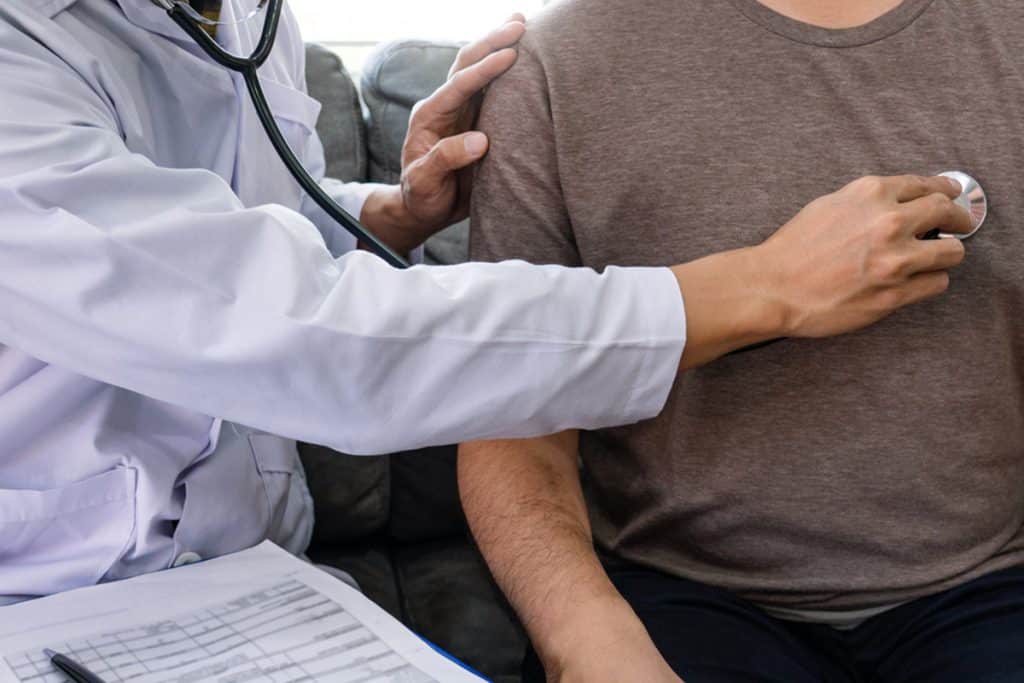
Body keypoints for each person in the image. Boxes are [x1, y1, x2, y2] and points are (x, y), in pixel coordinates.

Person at [0, 0, 968, 607]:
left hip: (251, 573)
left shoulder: (243, 17)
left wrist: (383, 215)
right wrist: (761, 286)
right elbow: (312, 338)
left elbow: (215, 230)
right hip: (49, 590)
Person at [459, 0, 1024, 681]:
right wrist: (583, 639)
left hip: (993, 587)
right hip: (679, 594)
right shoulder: (554, 65)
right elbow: (508, 411)